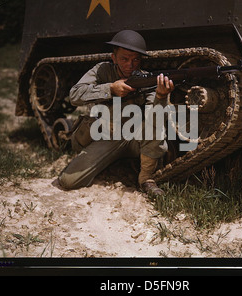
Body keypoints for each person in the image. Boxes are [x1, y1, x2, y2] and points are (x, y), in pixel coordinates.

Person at [58, 30, 174, 196]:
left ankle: (146, 178)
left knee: (153, 128)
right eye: (124, 59)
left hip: (134, 137)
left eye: (135, 60)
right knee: (68, 181)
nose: (130, 65)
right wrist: (109, 89)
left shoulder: (147, 79)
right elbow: (74, 95)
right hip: (106, 136)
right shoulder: (102, 71)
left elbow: (154, 120)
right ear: (114, 58)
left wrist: (161, 97)